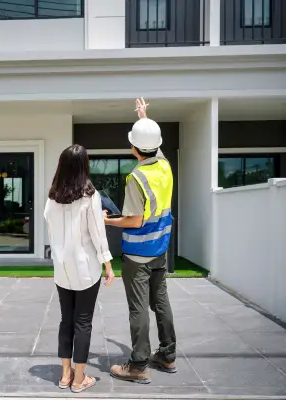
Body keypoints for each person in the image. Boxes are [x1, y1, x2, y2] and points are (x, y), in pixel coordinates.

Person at [104, 98, 177, 384]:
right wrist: (144, 118)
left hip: (138, 254)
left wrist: (106, 220)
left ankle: (137, 365)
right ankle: (168, 356)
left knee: (138, 309)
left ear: (133, 148)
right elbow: (153, 145)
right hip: (160, 249)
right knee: (161, 303)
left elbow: (134, 221)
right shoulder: (165, 166)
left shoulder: (137, 177)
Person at [44, 144, 115, 393]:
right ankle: (79, 379)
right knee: (83, 322)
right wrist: (108, 264)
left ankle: (65, 375)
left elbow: (51, 232)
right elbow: (98, 234)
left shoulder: (52, 197)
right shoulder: (90, 196)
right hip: (86, 269)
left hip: (62, 268)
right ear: (84, 166)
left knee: (66, 320)